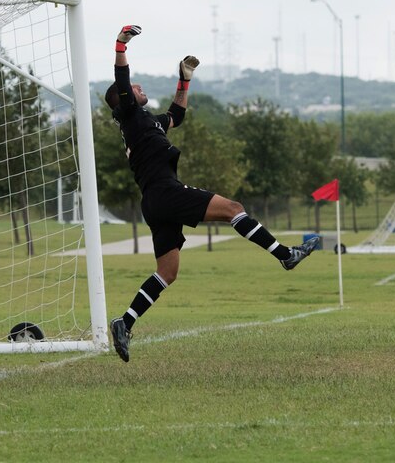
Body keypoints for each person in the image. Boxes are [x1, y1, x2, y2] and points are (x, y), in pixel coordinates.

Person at [105, 24, 319, 363]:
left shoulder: (148, 122)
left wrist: (184, 79)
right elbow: (121, 78)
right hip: (164, 192)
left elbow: (177, 115)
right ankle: (285, 255)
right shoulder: (129, 114)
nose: (137, 87)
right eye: (132, 88)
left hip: (154, 202)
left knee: (168, 272)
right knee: (233, 207)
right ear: (122, 100)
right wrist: (121, 44)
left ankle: (124, 322)